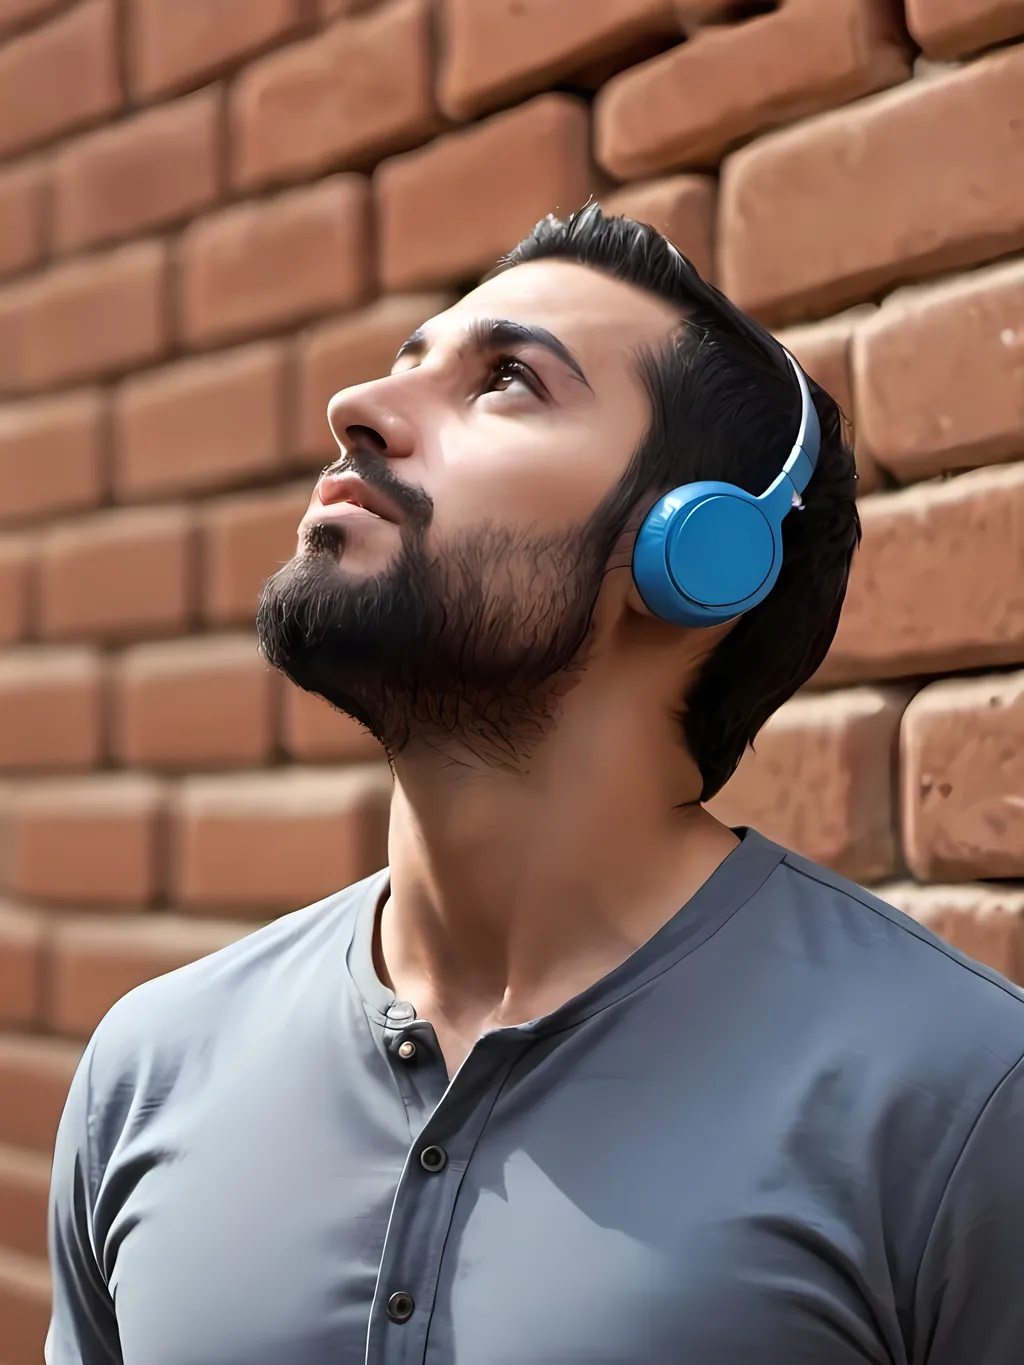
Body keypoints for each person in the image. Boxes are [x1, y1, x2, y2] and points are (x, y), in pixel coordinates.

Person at [46, 206, 1024, 1365]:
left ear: (696, 555)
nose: (355, 407)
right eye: (406, 362)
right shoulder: (150, 1066)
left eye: (506, 380)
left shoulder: (957, 1099)